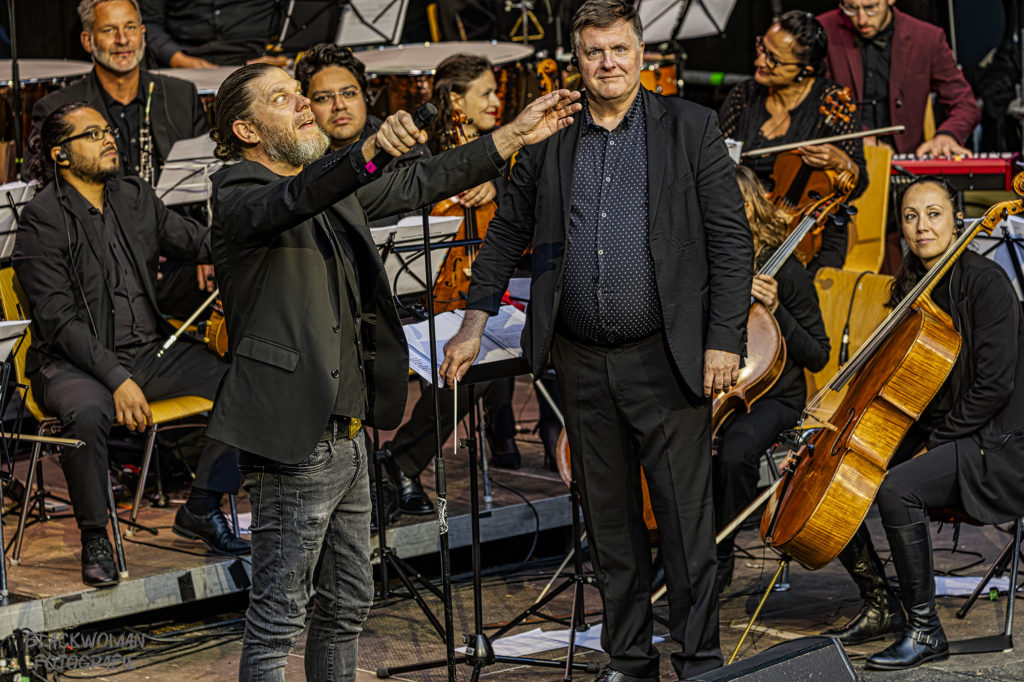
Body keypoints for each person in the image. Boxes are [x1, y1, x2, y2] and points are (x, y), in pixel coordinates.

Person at [205, 62, 579, 679]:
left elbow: (422, 179)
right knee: (278, 620)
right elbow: (295, 199)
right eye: (282, 98)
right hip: (294, 438)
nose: (303, 104)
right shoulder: (239, 193)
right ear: (246, 129)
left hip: (350, 432)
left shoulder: (321, 186)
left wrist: (513, 135)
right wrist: (370, 150)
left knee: (348, 604)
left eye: (299, 93)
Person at [442, 2, 753, 678]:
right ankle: (629, 660)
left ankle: (699, 661)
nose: (608, 62)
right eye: (593, 52)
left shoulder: (690, 127)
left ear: (641, 54)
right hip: (579, 360)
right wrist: (472, 324)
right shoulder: (550, 135)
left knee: (685, 524)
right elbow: (506, 231)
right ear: (575, 60)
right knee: (609, 526)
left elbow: (732, 242)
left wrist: (723, 339)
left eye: (618, 49)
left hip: (666, 358)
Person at [13, 103, 249, 589]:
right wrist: (116, 378)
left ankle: (202, 505)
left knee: (246, 380)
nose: (108, 138)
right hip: (72, 363)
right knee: (86, 411)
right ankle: (95, 536)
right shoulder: (42, 218)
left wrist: (261, 230)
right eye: (92, 133)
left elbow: (198, 243)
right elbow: (57, 320)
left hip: (150, 353)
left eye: (107, 130)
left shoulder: (135, 195)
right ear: (60, 154)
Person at [818, 176, 1024, 670]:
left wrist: (933, 443)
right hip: (949, 426)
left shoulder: (986, 283)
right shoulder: (912, 285)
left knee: (897, 488)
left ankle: (926, 629)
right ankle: (881, 603)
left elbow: (994, 388)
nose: (922, 226)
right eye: (911, 216)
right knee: (839, 473)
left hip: (995, 441)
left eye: (934, 214)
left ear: (957, 219)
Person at [381, 53, 522, 516]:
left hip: (483, 287)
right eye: (486, 93)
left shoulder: (499, 150)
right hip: (427, 291)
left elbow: (527, 203)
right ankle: (402, 461)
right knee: (471, 366)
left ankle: (404, 460)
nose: (497, 102)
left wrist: (496, 188)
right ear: (456, 101)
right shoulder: (422, 152)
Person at [713, 165, 830, 592]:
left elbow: (818, 354)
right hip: (716, 387)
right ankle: (675, 552)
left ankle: (720, 555)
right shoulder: (706, 263)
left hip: (774, 396)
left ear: (752, 209)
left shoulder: (785, 269)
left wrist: (777, 309)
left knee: (734, 453)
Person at [719, 10, 867, 274]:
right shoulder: (743, 96)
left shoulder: (833, 103)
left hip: (810, 228)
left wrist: (841, 162)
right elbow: (717, 163)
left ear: (804, 70)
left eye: (773, 59)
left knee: (790, 279)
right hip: (746, 222)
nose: (759, 61)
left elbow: (859, 183)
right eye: (762, 48)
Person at [25, 0, 209, 185]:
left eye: (130, 27)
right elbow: (37, 186)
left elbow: (206, 176)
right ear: (87, 41)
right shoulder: (55, 109)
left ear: (143, 33)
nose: (123, 39)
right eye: (109, 30)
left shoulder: (182, 96)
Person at [818, 1, 981, 157]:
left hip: (905, 161)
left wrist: (947, 135)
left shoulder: (927, 37)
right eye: (851, 8)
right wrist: (856, 135)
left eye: (871, 7)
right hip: (842, 162)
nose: (862, 20)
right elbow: (813, 101)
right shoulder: (822, 31)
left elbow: (965, 104)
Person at [296, 43, 430, 171]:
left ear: (365, 96)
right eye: (323, 98)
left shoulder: (402, 146)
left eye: (349, 93)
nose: (339, 105)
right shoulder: (296, 159)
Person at [140, 0, 283, 68]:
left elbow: (291, 17)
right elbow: (149, 22)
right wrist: (177, 59)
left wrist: (285, 58)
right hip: (186, 61)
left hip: (258, 59)